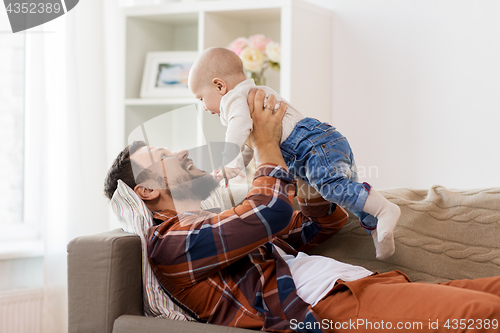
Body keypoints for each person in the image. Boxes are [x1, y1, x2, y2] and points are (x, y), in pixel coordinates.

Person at [104, 90, 500, 333]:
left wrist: (307, 166)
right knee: (487, 317)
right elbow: (271, 211)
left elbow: (320, 225)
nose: (183, 151)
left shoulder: (217, 224)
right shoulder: (171, 244)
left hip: (367, 286)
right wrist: (265, 146)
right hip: (332, 308)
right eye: (164, 156)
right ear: (147, 190)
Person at [188, 47, 400, 260]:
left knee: (332, 188)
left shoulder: (234, 99)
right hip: (320, 143)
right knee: (347, 194)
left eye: (200, 99)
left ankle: (385, 210)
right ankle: (376, 228)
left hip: (311, 146)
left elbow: (239, 126)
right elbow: (248, 145)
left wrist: (228, 161)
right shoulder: (252, 95)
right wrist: (235, 168)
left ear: (219, 85)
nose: (204, 107)